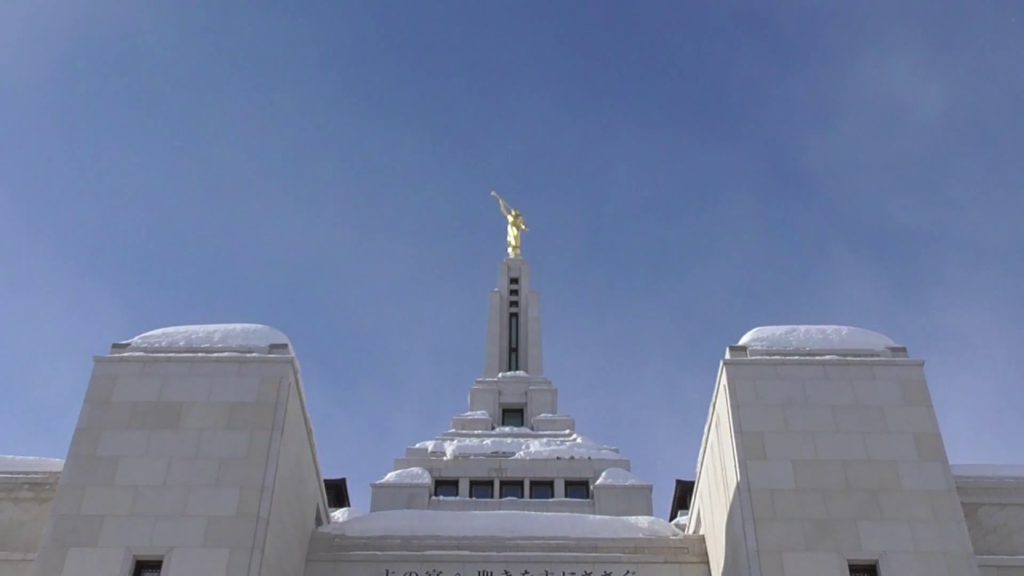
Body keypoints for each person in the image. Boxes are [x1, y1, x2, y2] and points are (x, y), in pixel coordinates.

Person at [490, 191, 528, 258]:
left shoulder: (519, 218)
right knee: (511, 239)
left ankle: (516, 249)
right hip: (511, 229)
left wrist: (524, 227)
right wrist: (501, 203)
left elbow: (522, 224)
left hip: (516, 230)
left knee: (516, 240)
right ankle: (512, 249)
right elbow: (504, 210)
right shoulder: (510, 216)